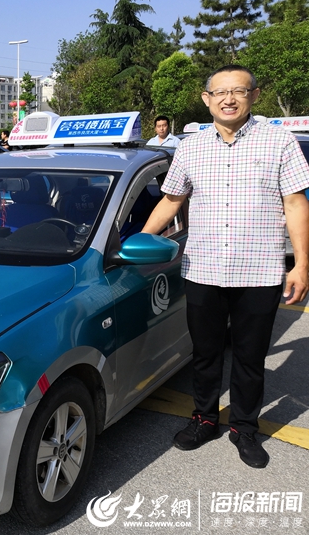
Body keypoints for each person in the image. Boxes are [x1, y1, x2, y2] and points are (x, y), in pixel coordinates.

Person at [141, 65, 309, 469]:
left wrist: (302, 263)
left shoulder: (279, 142)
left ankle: (245, 428)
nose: (228, 99)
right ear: (206, 99)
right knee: (204, 353)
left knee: (251, 358)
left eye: (238, 91)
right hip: (204, 271)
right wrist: (142, 239)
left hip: (260, 272)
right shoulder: (191, 147)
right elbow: (172, 200)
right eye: (220, 92)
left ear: (253, 95)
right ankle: (203, 418)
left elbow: (295, 204)